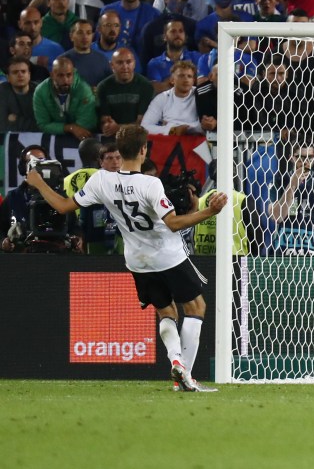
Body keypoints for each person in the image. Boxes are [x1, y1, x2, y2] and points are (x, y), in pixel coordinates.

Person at [25, 124, 227, 392]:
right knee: (196, 307)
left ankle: (176, 360)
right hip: (168, 256)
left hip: (138, 261)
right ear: (144, 150)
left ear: (119, 152)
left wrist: (39, 183)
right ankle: (185, 376)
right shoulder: (151, 184)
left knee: (166, 312)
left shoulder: (100, 180)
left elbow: (63, 206)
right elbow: (174, 224)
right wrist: (209, 211)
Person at [268, 143, 314, 255]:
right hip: (285, 255)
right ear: (291, 157)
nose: (305, 161)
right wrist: (292, 185)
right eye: (300, 157)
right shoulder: (279, 181)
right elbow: (277, 217)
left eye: (310, 157)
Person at [32, 55, 96, 138]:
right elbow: (43, 124)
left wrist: (69, 129)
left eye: (69, 75)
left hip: (81, 138)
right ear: (52, 75)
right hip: (55, 137)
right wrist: (70, 128)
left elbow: (85, 124)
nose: (65, 80)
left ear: (73, 74)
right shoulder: (40, 91)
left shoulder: (84, 90)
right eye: (60, 75)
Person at [97, 48, 154, 135]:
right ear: (112, 65)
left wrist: (118, 128)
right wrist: (106, 126)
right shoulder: (103, 87)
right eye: (120, 63)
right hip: (112, 137)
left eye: (128, 62)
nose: (125, 67)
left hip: (137, 137)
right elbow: (105, 119)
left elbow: (143, 123)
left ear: (134, 64)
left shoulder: (145, 86)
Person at [142, 60, 203, 135]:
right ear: (172, 80)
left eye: (189, 76)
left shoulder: (201, 95)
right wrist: (172, 130)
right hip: (169, 142)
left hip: (195, 141)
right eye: (181, 76)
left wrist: (172, 125)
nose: (186, 79)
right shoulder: (162, 98)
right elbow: (145, 127)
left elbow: (204, 124)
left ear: (193, 81)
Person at [0, 56, 39, 132]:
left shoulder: (40, 92)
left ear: (29, 75)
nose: (20, 75)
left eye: (23, 71)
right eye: (15, 72)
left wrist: (17, 120)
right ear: (8, 78)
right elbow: (2, 126)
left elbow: (42, 125)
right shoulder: (2, 92)